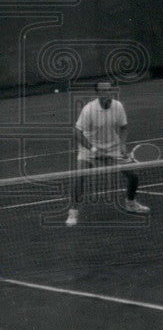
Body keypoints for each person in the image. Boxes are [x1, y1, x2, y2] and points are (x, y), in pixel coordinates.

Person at [66, 81, 150, 227]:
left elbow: (124, 128)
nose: (107, 93)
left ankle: (130, 203)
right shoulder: (89, 109)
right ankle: (73, 213)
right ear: (98, 94)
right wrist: (94, 150)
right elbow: (77, 133)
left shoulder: (118, 106)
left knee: (133, 175)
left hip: (113, 148)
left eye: (109, 90)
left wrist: (122, 145)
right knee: (79, 177)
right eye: (103, 91)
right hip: (89, 149)